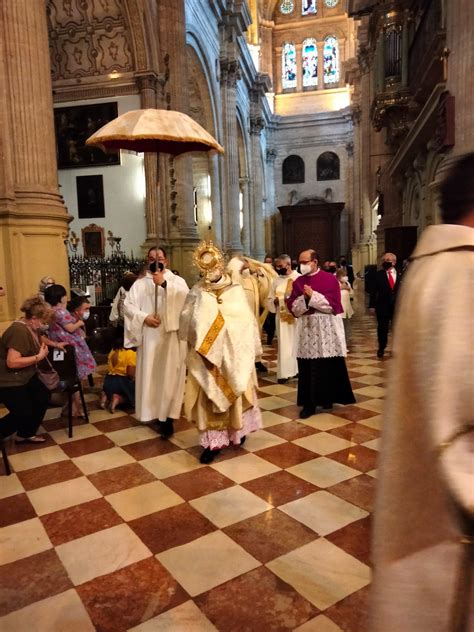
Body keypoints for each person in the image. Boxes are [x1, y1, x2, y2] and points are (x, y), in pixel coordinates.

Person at [370, 154, 474, 632]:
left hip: (421, 512)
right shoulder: (463, 273)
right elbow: (459, 421)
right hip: (451, 534)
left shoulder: (429, 268)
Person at [179, 242, 262, 464]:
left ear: (220, 266)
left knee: (236, 390)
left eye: (213, 268)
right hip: (208, 358)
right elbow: (188, 320)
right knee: (209, 397)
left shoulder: (234, 290)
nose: (209, 273)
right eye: (205, 270)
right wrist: (205, 336)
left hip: (234, 354)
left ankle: (237, 432)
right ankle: (213, 443)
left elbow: (245, 320)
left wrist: (222, 329)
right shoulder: (197, 291)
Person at [124, 246, 189, 438]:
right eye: (152, 258)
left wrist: (164, 284)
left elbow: (187, 299)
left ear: (166, 261)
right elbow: (128, 306)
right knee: (152, 375)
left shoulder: (176, 280)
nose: (155, 261)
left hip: (171, 336)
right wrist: (144, 317)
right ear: (147, 260)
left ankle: (167, 418)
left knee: (169, 376)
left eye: (159, 258)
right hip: (150, 336)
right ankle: (152, 411)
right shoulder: (140, 284)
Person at [286, 249, 355, 418]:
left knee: (328, 364)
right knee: (309, 367)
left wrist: (313, 296)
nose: (301, 265)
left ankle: (327, 398)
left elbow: (333, 306)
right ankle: (309, 404)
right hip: (307, 328)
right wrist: (305, 299)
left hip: (326, 328)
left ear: (314, 262)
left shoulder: (330, 280)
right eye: (299, 262)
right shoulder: (298, 282)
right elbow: (293, 308)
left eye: (304, 262)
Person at [0, 297, 52, 443]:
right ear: (33, 318)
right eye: (43, 322)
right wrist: (39, 357)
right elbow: (12, 362)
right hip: (9, 380)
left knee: (42, 396)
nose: (44, 326)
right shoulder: (18, 330)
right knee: (22, 412)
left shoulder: (31, 327)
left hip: (26, 375)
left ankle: (25, 433)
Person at [45, 286, 97, 416]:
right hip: (72, 347)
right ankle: (75, 409)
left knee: (71, 378)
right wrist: (79, 324)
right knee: (76, 378)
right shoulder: (61, 311)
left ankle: (71, 407)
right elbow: (70, 328)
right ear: (61, 297)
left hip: (61, 346)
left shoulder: (49, 311)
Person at [266, 254, 300, 383]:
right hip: (281, 318)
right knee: (284, 344)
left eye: (281, 266)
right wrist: (276, 300)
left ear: (288, 264)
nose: (279, 268)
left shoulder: (298, 278)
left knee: (297, 344)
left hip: (296, 317)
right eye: (277, 266)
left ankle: (297, 370)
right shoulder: (276, 280)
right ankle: (284, 373)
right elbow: (269, 299)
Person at [369, 252, 401, 357]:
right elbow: (373, 291)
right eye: (384, 260)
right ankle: (381, 347)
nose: (385, 262)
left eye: (388, 260)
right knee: (382, 328)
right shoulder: (378, 275)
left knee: (397, 328)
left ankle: (397, 348)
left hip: (397, 307)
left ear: (394, 262)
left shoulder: (401, 274)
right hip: (382, 306)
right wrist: (372, 306)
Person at [100, 327, 136, 413]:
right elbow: (130, 373)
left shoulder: (113, 351)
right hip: (122, 382)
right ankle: (118, 399)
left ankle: (105, 396)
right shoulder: (131, 353)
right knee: (134, 396)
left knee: (110, 391)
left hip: (108, 380)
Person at [336, 267, 354, 349]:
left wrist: (348, 288)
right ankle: (340, 345)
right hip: (339, 310)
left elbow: (351, 293)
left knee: (347, 327)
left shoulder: (347, 283)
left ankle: (346, 343)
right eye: (344, 275)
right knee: (340, 327)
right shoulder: (335, 283)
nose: (345, 277)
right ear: (339, 276)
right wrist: (340, 288)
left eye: (346, 275)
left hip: (347, 309)